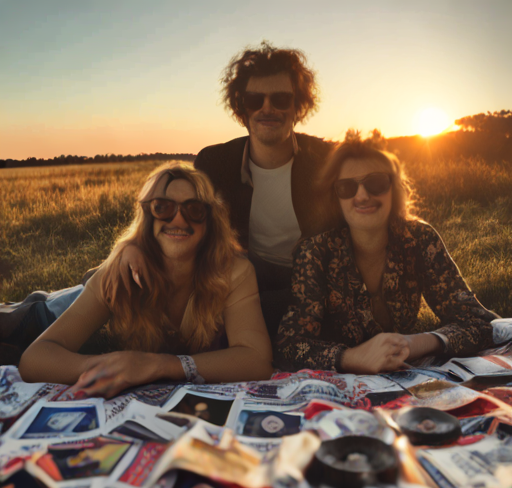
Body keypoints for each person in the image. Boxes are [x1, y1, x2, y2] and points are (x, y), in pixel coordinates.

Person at [122, 42, 336, 335]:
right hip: (233, 278)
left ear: (298, 106)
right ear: (241, 108)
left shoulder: (326, 160)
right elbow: (179, 222)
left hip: (307, 288)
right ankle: (45, 311)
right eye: (254, 100)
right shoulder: (215, 162)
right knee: (118, 273)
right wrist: (132, 246)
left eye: (281, 98)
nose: (267, 108)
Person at [18, 163, 273, 396]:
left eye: (194, 209)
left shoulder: (234, 272)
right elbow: (34, 359)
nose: (179, 219)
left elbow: (257, 360)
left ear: (210, 221)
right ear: (149, 217)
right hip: (46, 309)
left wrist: (158, 365)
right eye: (163, 208)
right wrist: (111, 366)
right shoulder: (118, 272)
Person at [274, 137, 497, 374]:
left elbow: (480, 322)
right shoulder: (315, 253)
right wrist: (351, 358)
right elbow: (289, 346)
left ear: (394, 188)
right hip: (338, 386)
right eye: (347, 187)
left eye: (376, 183)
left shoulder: (420, 240)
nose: (361, 196)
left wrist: (415, 343)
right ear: (336, 197)